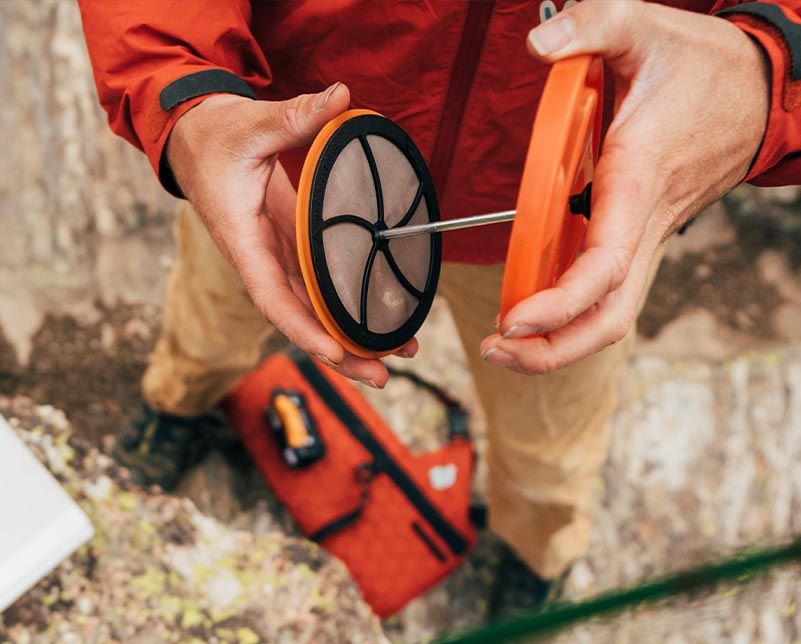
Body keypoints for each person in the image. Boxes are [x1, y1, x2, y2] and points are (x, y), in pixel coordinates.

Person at [77, 0, 800, 589]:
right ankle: (181, 401)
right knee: (212, 314)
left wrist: (769, 65)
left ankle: (534, 553)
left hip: (561, 222)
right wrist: (185, 90)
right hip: (288, 166)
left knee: (546, 433)